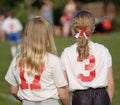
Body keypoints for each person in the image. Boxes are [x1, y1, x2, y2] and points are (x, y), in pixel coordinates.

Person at [5, 16, 69, 105]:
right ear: (47, 36)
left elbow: (13, 90)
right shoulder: (53, 60)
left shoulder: (17, 59)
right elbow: (63, 94)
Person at [61, 10, 114, 105]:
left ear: (73, 29)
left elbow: (64, 89)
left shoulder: (67, 53)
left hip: (79, 99)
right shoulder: (103, 50)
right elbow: (110, 85)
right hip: (101, 97)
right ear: (93, 28)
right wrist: (108, 100)